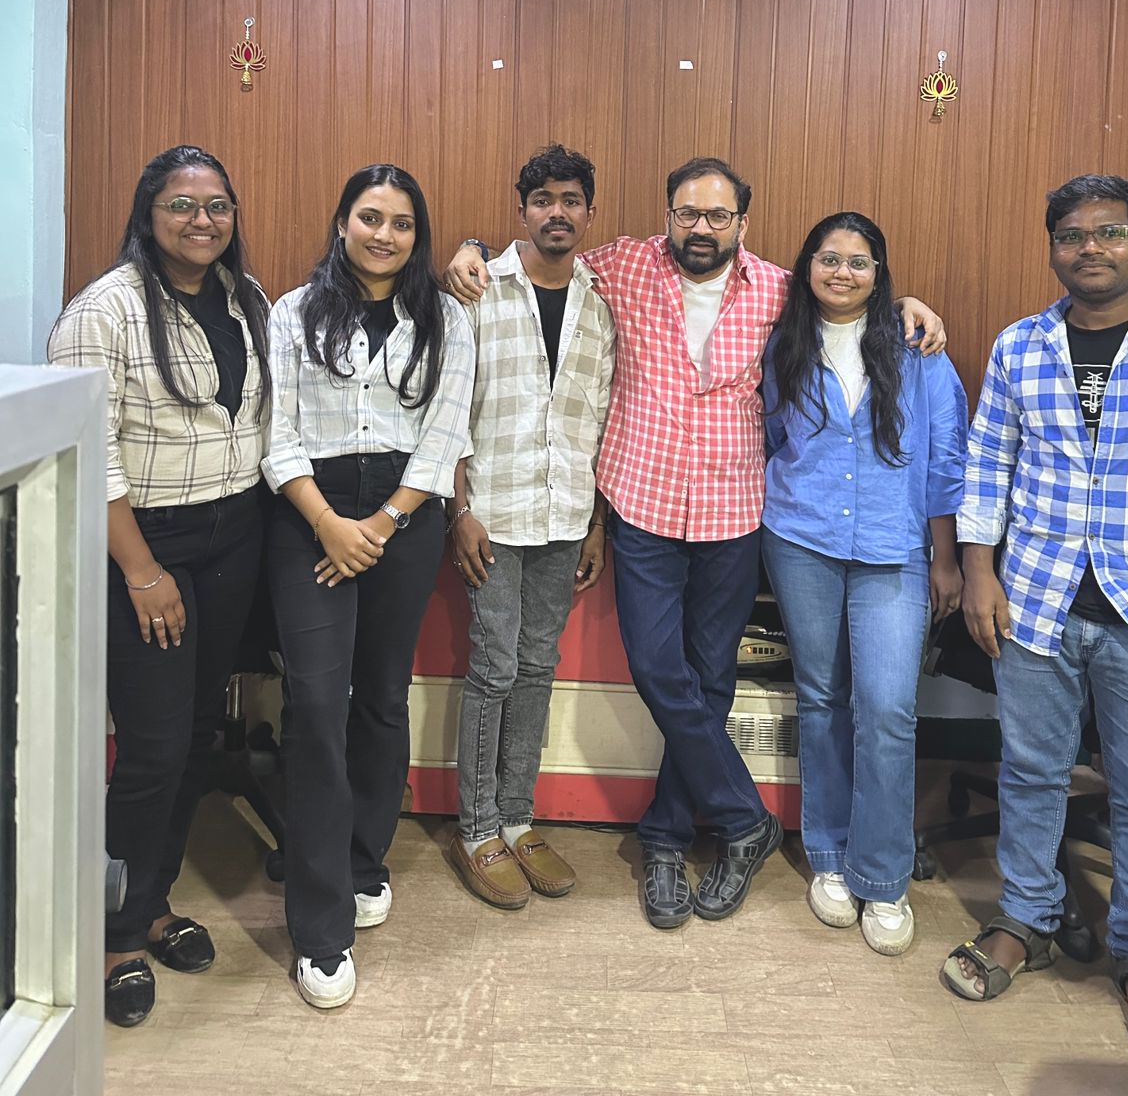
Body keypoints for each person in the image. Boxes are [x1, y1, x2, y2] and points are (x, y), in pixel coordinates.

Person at [445, 157, 945, 929]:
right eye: (687, 213)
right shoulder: (621, 266)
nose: (701, 228)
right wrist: (473, 248)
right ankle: (745, 817)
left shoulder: (778, 288)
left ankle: (667, 840)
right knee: (657, 668)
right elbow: (544, 248)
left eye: (717, 215)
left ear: (743, 220)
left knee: (711, 682)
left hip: (733, 512)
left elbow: (849, 297)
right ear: (667, 214)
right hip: (642, 506)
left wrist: (906, 301)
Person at [943, 174, 1128, 1074]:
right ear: (1052, 246)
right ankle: (1027, 919)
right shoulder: (1022, 346)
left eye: (1110, 232)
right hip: (1038, 599)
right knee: (1030, 772)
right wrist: (979, 571)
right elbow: (988, 465)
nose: (1090, 248)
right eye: (1071, 235)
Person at [48, 145, 271, 1028]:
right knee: (150, 749)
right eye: (182, 205)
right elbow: (87, 450)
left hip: (234, 537)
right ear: (148, 214)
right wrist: (140, 570)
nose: (201, 221)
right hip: (146, 548)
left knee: (196, 737)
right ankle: (112, 937)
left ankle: (150, 902)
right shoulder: (102, 311)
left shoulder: (245, 299)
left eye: (217, 206)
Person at [262, 164, 474, 1010]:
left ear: (419, 236)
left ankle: (361, 859)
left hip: (405, 516)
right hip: (308, 514)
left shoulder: (447, 319)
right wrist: (329, 525)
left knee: (383, 695)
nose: (385, 235)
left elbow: (444, 433)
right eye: (370, 217)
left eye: (402, 223)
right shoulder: (291, 312)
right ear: (342, 222)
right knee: (316, 703)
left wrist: (380, 527)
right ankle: (320, 930)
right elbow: (277, 433)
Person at [760, 212, 966, 956]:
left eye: (858, 261)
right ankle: (828, 852)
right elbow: (770, 437)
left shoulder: (918, 349)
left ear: (880, 274)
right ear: (807, 267)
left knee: (885, 709)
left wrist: (946, 558)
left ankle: (882, 874)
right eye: (828, 259)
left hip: (893, 549)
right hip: (801, 539)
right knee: (820, 697)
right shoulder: (782, 344)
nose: (841, 273)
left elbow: (945, 461)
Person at [447, 144, 615, 907]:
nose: (557, 212)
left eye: (570, 199)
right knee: (494, 667)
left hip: (566, 512)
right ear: (522, 209)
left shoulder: (600, 300)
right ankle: (477, 826)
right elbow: (449, 409)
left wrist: (596, 524)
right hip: (493, 509)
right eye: (543, 199)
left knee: (538, 666)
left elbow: (602, 418)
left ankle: (518, 816)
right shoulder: (479, 288)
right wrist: (458, 510)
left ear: (588, 211)